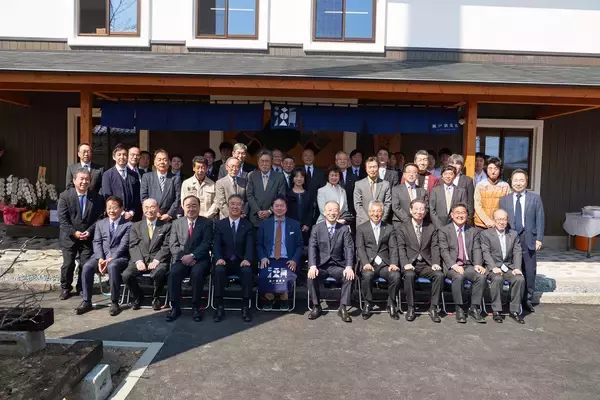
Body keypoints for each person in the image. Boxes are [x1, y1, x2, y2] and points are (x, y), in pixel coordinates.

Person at [77, 196, 132, 316]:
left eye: (114, 208)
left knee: (112, 266)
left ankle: (115, 302)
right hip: (101, 256)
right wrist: (101, 258)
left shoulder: (128, 225)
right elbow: (97, 242)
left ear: (121, 209)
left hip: (119, 257)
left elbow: (124, 245)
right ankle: (86, 301)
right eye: (109, 208)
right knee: (87, 266)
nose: (111, 211)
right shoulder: (100, 223)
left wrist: (110, 259)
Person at [499, 169, 545, 313]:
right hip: (511, 237)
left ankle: (527, 299)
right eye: (515, 180)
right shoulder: (504, 200)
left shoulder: (535, 198)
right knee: (511, 269)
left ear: (526, 182)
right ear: (511, 182)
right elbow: (501, 221)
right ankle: (511, 298)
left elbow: (540, 219)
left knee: (529, 270)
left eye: (521, 180)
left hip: (529, 237)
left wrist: (539, 239)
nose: (518, 183)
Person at [58, 168, 105, 300]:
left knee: (85, 264)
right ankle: (65, 288)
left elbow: (100, 218)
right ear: (74, 180)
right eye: (81, 179)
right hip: (69, 237)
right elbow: (62, 219)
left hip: (88, 237)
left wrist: (89, 231)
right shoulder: (65, 196)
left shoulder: (97, 198)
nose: (84, 182)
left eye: (87, 179)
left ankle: (82, 287)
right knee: (68, 264)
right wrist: (74, 232)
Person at [167, 195, 213, 322]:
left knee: (197, 273)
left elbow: (206, 243)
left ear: (199, 207)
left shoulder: (207, 223)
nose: (191, 209)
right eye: (188, 206)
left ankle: (196, 307)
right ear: (183, 207)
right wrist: (183, 257)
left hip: (200, 259)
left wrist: (192, 256)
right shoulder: (176, 223)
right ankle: (175, 308)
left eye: (194, 206)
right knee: (174, 273)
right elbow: (173, 244)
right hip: (181, 259)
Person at [438, 203, 486, 324]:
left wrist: (478, 264)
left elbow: (477, 249)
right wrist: (453, 265)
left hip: (468, 265)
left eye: (463, 213)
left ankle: (474, 308)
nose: (460, 215)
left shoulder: (473, 231)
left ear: (467, 215)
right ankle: (459, 308)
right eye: (457, 213)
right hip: (452, 266)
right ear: (452, 215)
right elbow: (443, 250)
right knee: (458, 277)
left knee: (481, 276)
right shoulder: (444, 230)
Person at [397, 199, 444, 323]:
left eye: (422, 209)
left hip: (425, 264)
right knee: (409, 276)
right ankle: (411, 307)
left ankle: (433, 307)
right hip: (410, 263)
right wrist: (405, 263)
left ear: (425, 211)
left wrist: (435, 263)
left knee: (439, 275)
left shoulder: (431, 227)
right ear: (410, 210)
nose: (419, 212)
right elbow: (401, 247)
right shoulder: (402, 227)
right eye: (416, 209)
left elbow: (435, 247)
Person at [307, 201, 355, 322]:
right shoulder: (316, 228)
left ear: (338, 213)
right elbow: (312, 247)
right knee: (311, 276)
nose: (332, 213)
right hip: (321, 266)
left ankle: (343, 307)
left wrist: (349, 266)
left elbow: (349, 248)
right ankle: (316, 306)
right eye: (329, 210)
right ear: (324, 212)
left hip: (337, 266)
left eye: (335, 210)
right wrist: (312, 265)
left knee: (349, 276)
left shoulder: (344, 229)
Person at [122, 198, 172, 311]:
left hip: (158, 259)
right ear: (142, 209)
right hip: (141, 258)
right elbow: (133, 245)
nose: (149, 210)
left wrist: (157, 260)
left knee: (159, 273)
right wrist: (139, 261)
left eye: (152, 207)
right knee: (126, 275)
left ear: (158, 208)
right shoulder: (136, 226)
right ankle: (138, 296)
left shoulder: (166, 226)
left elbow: (167, 246)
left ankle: (156, 298)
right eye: (146, 207)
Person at [212, 194, 254, 322]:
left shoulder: (248, 225)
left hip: (241, 261)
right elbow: (216, 244)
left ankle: (245, 307)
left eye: (238, 204)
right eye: (232, 204)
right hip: (224, 261)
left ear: (242, 207)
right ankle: (219, 307)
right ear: (228, 206)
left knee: (247, 272)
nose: (235, 207)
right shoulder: (220, 224)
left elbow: (250, 245)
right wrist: (218, 258)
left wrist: (247, 259)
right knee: (218, 271)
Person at [256, 196, 303, 311]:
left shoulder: (294, 224)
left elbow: (299, 245)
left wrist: (294, 260)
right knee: (265, 274)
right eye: (276, 206)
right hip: (269, 259)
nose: (279, 208)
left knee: (286, 275)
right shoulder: (264, 224)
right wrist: (262, 257)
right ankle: (269, 298)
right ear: (272, 208)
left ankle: (284, 299)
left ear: (286, 208)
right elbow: (259, 244)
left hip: (287, 259)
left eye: (282, 206)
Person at [356, 201, 401, 320]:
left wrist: (393, 263)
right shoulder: (361, 228)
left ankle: (391, 303)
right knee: (367, 276)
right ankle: (367, 303)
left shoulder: (389, 228)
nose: (376, 214)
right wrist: (365, 263)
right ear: (369, 212)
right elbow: (360, 248)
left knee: (395, 275)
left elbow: (393, 248)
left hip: (385, 264)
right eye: (373, 211)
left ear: (383, 212)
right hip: (369, 264)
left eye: (378, 211)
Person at [480, 209, 525, 324]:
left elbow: (517, 252)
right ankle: (496, 311)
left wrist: (517, 268)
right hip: (493, 267)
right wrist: (493, 267)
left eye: (504, 219)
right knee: (497, 278)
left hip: (508, 267)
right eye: (499, 219)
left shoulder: (513, 234)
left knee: (519, 279)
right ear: (493, 220)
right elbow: (486, 252)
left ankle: (514, 311)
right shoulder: (486, 234)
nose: (501, 222)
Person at [246, 150, 286, 227]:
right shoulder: (252, 176)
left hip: (272, 217)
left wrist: (269, 211)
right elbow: (249, 195)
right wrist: (258, 211)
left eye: (267, 161)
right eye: (262, 161)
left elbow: (281, 196)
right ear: (258, 163)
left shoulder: (279, 177)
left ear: (271, 162)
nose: (264, 164)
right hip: (255, 217)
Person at [101, 143, 141, 221]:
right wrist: (122, 212)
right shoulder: (107, 174)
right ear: (114, 157)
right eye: (119, 155)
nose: (122, 157)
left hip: (132, 217)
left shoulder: (134, 174)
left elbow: (137, 196)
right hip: (114, 216)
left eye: (124, 155)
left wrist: (132, 212)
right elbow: (107, 196)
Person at [140, 149, 181, 221]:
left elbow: (178, 199)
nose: (162, 162)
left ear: (169, 162)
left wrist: (169, 214)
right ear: (155, 162)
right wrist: (153, 211)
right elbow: (144, 197)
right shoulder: (147, 177)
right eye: (159, 160)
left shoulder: (175, 178)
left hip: (168, 218)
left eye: (165, 160)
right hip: (150, 216)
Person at [474, 157, 512, 229]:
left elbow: (508, 206)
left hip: (499, 225)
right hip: (481, 224)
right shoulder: (480, 185)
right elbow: (477, 205)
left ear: (500, 170)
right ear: (486, 169)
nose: (493, 171)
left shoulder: (505, 186)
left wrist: (498, 221)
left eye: (496, 168)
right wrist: (486, 220)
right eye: (490, 168)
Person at [354, 156, 391, 226]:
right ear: (366, 169)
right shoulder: (359, 184)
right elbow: (358, 205)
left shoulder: (385, 184)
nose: (372, 169)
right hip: (363, 222)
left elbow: (387, 204)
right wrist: (369, 222)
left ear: (378, 168)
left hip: (380, 222)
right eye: (370, 167)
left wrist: (380, 220)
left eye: (374, 167)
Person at [391, 162, 427, 228]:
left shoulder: (422, 191)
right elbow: (396, 207)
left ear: (417, 175)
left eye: (414, 172)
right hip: (400, 223)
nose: (411, 174)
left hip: (419, 222)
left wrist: (417, 219)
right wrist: (409, 221)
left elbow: (426, 207)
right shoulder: (396, 189)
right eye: (409, 172)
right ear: (404, 175)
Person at [285, 168, 314, 245]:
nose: (299, 179)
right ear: (292, 179)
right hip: (290, 226)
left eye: (301, 177)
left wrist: (307, 224)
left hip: (305, 228)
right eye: (296, 176)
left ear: (304, 179)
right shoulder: (287, 194)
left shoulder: (308, 194)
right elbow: (286, 212)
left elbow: (311, 211)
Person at [447, 154, 475, 222]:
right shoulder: (442, 180)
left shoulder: (468, 180)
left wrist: (469, 217)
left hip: (461, 216)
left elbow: (470, 201)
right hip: (445, 217)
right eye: (452, 163)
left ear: (461, 166)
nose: (454, 166)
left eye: (457, 163)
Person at [335, 150, 357, 217]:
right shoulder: (330, 176)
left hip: (350, 212)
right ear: (336, 162)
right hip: (333, 211)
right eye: (340, 159)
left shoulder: (355, 177)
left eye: (345, 159)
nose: (342, 161)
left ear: (348, 161)